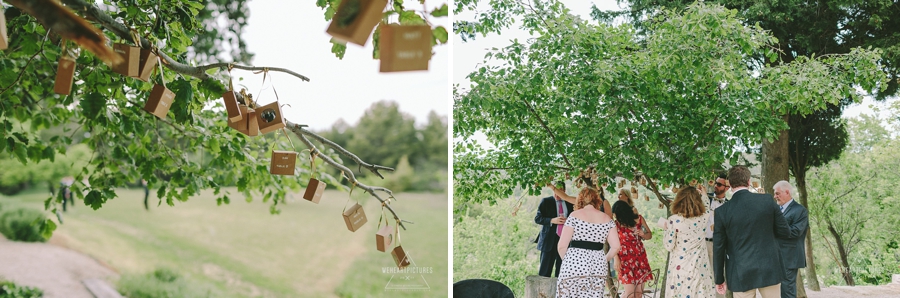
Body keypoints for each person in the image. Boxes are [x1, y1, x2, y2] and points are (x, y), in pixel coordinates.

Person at [713, 165, 790, 298]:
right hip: (769, 267)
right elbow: (785, 232)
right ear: (748, 182)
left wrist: (719, 279)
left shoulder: (722, 212)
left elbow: (718, 248)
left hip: (740, 272)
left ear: (729, 184)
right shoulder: (767, 201)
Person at [556, 187, 620, 298]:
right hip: (598, 265)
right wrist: (604, 260)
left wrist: (568, 261)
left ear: (579, 200)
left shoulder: (574, 216)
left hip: (574, 261)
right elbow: (616, 246)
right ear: (597, 200)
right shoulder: (607, 219)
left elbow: (562, 246)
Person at [664, 186, 714, 298]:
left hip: (680, 269)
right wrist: (704, 195)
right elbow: (706, 207)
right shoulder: (704, 217)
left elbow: (668, 245)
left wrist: (667, 229)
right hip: (699, 267)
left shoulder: (674, 220)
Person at [773, 180, 809, 298]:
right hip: (776, 257)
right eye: (775, 193)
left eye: (777, 193)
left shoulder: (800, 210)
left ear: (787, 192)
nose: (775, 196)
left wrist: (774, 229)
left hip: (789, 257)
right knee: (777, 292)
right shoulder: (776, 210)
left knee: (787, 291)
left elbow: (796, 232)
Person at [612, 200, 653, 298]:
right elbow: (612, 243)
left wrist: (643, 234)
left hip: (640, 257)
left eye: (615, 214)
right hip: (625, 259)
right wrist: (616, 258)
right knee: (630, 294)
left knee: (639, 294)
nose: (614, 216)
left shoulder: (639, 219)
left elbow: (649, 235)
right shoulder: (615, 224)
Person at [535, 183, 575, 277]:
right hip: (549, 241)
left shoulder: (570, 203)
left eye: (559, 191)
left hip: (565, 241)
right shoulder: (546, 201)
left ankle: (559, 291)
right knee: (544, 273)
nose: (557, 194)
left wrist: (568, 221)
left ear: (564, 191)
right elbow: (537, 218)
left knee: (562, 272)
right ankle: (542, 292)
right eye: (555, 191)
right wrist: (552, 220)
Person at [704, 173, 729, 298]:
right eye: (715, 183)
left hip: (719, 245)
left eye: (719, 184)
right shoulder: (705, 199)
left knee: (718, 276)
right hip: (703, 242)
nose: (716, 186)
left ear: (727, 188)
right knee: (703, 275)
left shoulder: (729, 205)